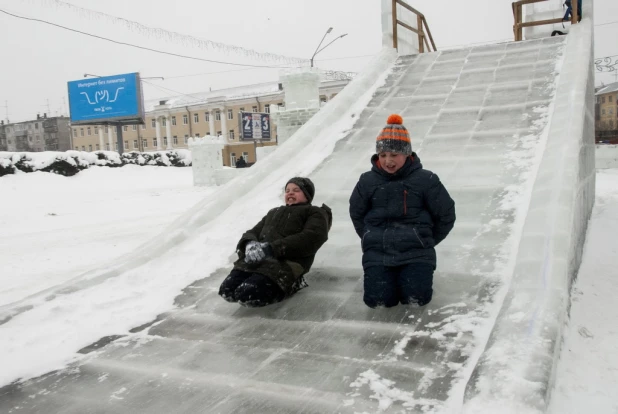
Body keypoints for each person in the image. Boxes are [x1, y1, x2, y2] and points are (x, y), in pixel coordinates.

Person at [349, 114, 456, 309]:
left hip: (416, 252)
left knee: (417, 299)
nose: (388, 161)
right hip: (378, 253)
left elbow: (446, 214)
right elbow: (357, 213)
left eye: (394, 155)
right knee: (378, 301)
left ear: (407, 154)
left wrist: (425, 239)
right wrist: (369, 236)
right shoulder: (367, 181)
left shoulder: (426, 179)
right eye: (383, 155)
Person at [219, 177, 332, 307]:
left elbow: (311, 237)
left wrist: (271, 249)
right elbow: (253, 231)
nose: (290, 193)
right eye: (287, 190)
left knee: (247, 295)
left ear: (307, 195)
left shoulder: (314, 212)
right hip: (257, 262)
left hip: (285, 265)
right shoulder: (274, 212)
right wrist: (249, 243)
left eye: (296, 190)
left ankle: (294, 283)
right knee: (226, 291)